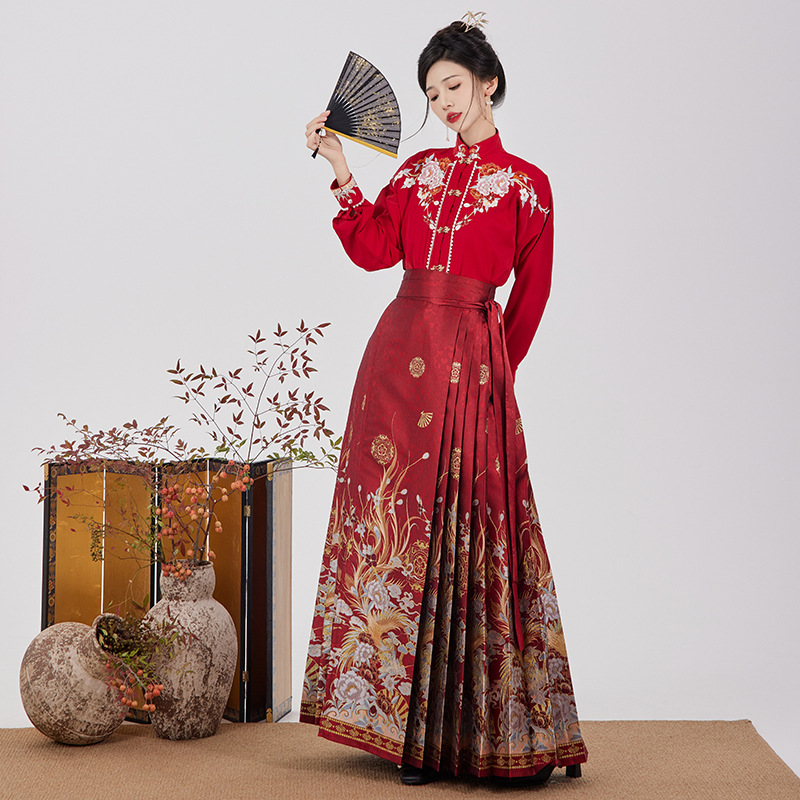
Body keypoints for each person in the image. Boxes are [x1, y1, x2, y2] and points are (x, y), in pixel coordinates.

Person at [299, 17, 588, 787]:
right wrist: (341, 168)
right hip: (395, 360)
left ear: (488, 82)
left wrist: (497, 372)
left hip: (472, 366)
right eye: (432, 93)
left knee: (468, 529)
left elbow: (533, 295)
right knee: (397, 528)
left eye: (453, 85)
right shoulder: (419, 171)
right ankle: (401, 733)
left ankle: (474, 733)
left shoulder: (528, 185)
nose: (444, 102)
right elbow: (373, 250)